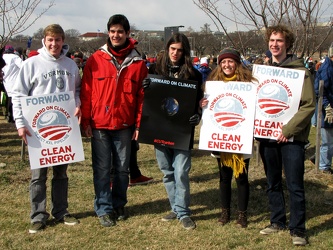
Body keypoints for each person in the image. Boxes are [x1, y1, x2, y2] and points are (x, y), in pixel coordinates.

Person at [11, 24, 81, 234]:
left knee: (61, 174)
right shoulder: (31, 64)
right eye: (50, 40)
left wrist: (77, 103)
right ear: (44, 40)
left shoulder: (71, 65)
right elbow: (18, 95)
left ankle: (61, 211)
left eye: (58, 40)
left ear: (63, 41)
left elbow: (76, 89)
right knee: (38, 176)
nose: (54, 44)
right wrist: (20, 123)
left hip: (62, 129)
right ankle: (38, 215)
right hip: (37, 130)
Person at [80, 14, 147, 227]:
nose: (116, 35)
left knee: (122, 169)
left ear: (127, 34)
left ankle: (118, 204)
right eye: (112, 31)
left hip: (124, 125)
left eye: (120, 31)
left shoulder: (138, 63)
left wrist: (139, 125)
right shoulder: (95, 59)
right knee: (101, 169)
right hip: (99, 125)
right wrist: (86, 121)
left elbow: (141, 98)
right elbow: (87, 92)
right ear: (108, 33)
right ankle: (103, 208)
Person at [258, 25, 315, 246]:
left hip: (292, 138)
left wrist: (287, 130)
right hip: (268, 137)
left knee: (294, 183)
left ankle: (298, 229)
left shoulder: (301, 72)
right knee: (272, 182)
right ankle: (277, 220)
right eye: (272, 40)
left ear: (287, 44)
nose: (274, 44)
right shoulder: (262, 72)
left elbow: (308, 105)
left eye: (279, 41)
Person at [144, 33, 203, 230]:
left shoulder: (193, 74)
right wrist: (146, 87)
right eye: (172, 49)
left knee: (181, 171)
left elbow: (199, 103)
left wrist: (197, 114)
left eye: (179, 50)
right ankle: (175, 208)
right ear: (167, 49)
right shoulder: (155, 69)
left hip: (182, 130)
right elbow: (149, 101)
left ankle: (184, 212)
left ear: (184, 51)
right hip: (160, 128)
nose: (175, 53)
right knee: (167, 172)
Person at [199, 48, 257, 228]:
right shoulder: (213, 84)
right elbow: (207, 109)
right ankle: (225, 212)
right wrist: (203, 104)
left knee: (241, 178)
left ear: (237, 64)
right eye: (223, 62)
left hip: (240, 137)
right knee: (224, 177)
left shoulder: (249, 84)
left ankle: (242, 215)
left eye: (230, 61)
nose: (226, 65)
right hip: (221, 138)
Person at [314, 55, 333, 174]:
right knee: (328, 140)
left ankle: (320, 160)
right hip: (328, 109)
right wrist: (327, 106)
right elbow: (320, 90)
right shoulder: (327, 68)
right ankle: (324, 166)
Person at [2, 45, 23, 123]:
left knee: (7, 99)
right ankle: (13, 116)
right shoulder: (14, 57)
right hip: (14, 81)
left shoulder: (2, 57)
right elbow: (23, 66)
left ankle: (8, 115)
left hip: (5, 81)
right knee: (14, 100)